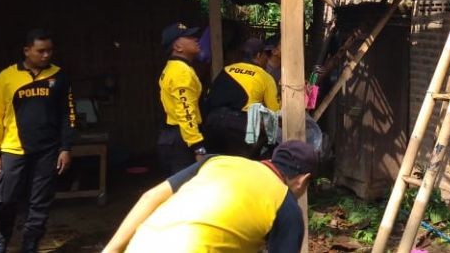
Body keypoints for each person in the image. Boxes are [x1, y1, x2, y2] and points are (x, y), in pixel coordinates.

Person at [101, 140, 316, 253]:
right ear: (303, 180)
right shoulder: (286, 207)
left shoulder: (217, 162)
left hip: (141, 245)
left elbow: (150, 197)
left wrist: (111, 250)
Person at [0, 29, 75, 253]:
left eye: (49, 51)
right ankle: (3, 236)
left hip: (48, 149)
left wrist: (66, 148)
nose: (46, 55)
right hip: (14, 148)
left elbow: (68, 114)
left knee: (40, 201)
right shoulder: (6, 78)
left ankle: (30, 243)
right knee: (5, 199)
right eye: (40, 51)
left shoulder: (59, 76)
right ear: (27, 51)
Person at [157, 22, 207, 177]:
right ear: (178, 47)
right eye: (189, 37)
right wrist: (198, 147)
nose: (196, 39)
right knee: (186, 189)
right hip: (182, 140)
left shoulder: (172, 67)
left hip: (173, 136)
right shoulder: (181, 72)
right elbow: (186, 111)